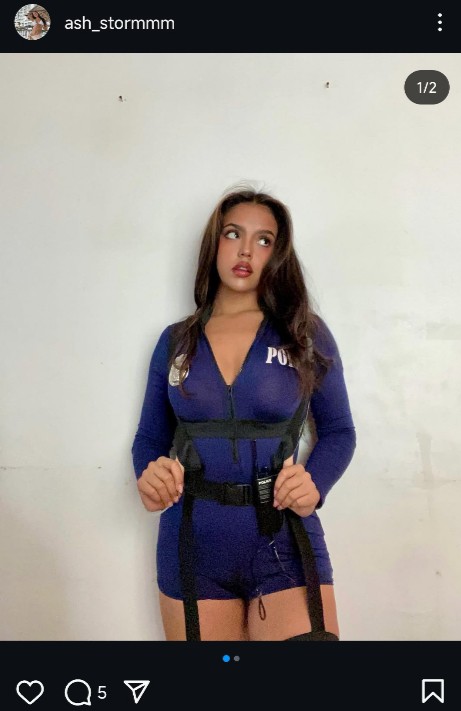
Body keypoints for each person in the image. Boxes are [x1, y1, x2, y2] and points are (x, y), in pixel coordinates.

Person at [131, 187, 356, 641]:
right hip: (192, 542)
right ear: (214, 242)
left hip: (285, 539)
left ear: (278, 253)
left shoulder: (303, 333)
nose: (246, 250)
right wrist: (149, 476)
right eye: (233, 234)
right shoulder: (175, 341)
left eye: (264, 240)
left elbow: (338, 430)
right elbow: (150, 438)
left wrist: (315, 484)